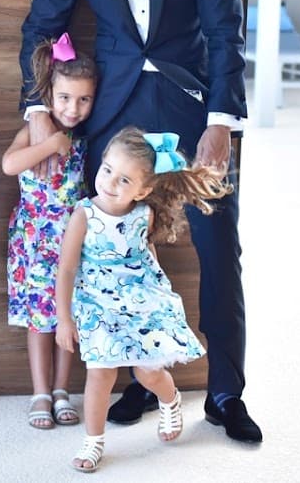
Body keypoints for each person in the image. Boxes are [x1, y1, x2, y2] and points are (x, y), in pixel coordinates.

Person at [20, 0, 262, 443]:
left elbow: (225, 31)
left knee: (218, 253)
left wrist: (221, 123)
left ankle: (227, 393)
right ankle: (134, 383)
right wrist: (41, 112)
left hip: (191, 116)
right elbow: (42, 25)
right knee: (115, 260)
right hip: (117, 120)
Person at [56, 127, 233, 472]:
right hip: (98, 303)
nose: (108, 183)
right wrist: (65, 318)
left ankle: (170, 399)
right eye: (107, 170)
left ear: (144, 190)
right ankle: (93, 443)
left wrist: (157, 294)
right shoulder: (84, 215)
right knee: (101, 375)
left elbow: (145, 252)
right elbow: (66, 268)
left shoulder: (143, 214)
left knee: (148, 372)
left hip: (139, 299)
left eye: (124, 180)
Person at [3, 32, 97, 430]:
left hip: (73, 243)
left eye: (83, 99)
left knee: (66, 316)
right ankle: (40, 391)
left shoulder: (87, 138)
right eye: (64, 98)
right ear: (49, 94)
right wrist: (50, 145)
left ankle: (62, 390)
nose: (72, 108)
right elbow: (9, 165)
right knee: (39, 320)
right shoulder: (38, 131)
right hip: (34, 241)